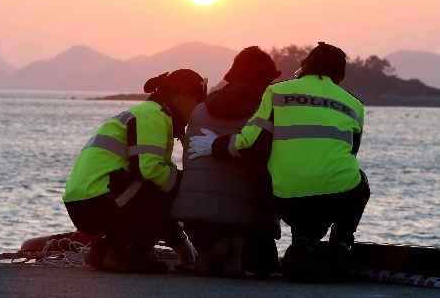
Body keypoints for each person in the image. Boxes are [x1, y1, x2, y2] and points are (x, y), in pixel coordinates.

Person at [188, 42, 370, 283]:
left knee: (294, 183)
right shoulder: (354, 104)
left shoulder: (276, 92)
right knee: (358, 182)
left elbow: (251, 142)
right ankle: (341, 243)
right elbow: (350, 153)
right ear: (339, 75)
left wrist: (216, 145)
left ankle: (301, 243)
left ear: (304, 66)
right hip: (338, 196)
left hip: (288, 200)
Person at [63, 69, 207, 274]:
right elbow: (150, 172)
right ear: (183, 94)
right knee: (163, 185)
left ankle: (104, 250)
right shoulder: (154, 115)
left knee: (164, 183)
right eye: (198, 102)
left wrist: (181, 242)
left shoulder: (147, 113)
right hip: (98, 201)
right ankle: (125, 253)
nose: (197, 110)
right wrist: (191, 184)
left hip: (86, 201)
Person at [170, 46, 282, 278]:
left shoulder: (200, 111)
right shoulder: (266, 112)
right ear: (263, 79)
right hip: (246, 218)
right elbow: (268, 161)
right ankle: (236, 244)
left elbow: (189, 162)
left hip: (195, 218)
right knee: (265, 266)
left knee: (215, 248)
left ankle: (220, 250)